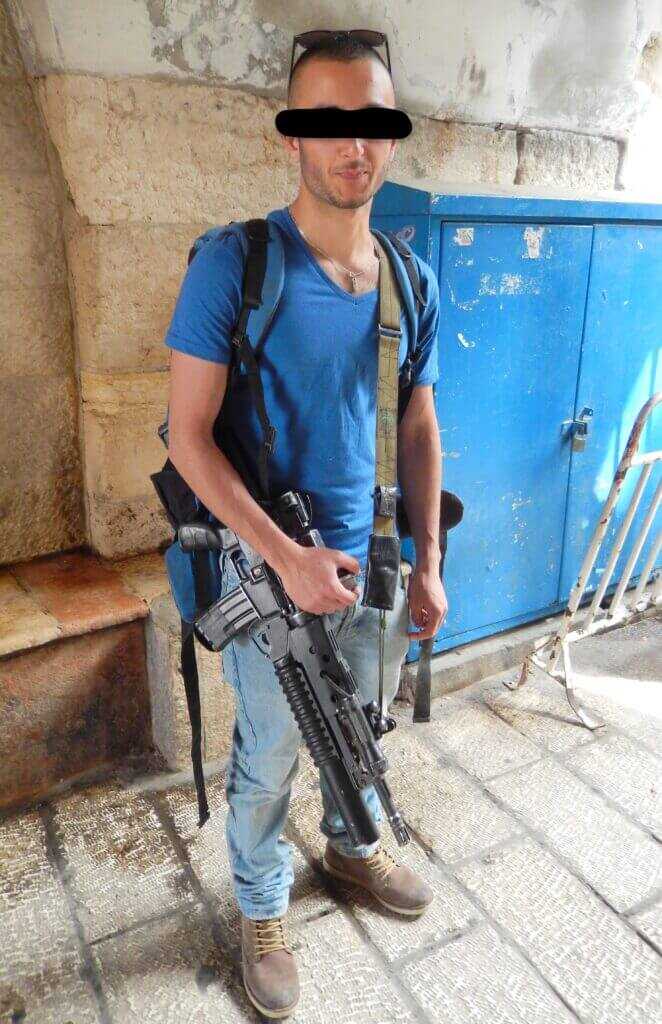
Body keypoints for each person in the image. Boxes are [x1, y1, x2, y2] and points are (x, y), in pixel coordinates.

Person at [164, 30, 448, 1020]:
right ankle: (260, 904)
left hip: (370, 563)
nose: (350, 144)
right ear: (291, 136)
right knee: (270, 752)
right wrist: (284, 558)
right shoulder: (235, 264)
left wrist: (428, 560)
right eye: (326, 121)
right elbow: (188, 437)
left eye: (369, 122)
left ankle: (352, 846)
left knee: (358, 721)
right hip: (265, 570)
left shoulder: (409, 279)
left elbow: (417, 424)